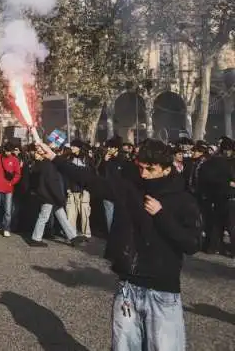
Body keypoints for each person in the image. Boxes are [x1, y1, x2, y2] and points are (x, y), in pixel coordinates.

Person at [37, 139, 200, 350]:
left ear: (167, 169)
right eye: (141, 167)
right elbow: (91, 181)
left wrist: (161, 215)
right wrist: (54, 158)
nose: (144, 174)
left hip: (163, 291)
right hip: (128, 287)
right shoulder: (129, 188)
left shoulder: (183, 200)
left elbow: (192, 244)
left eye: (150, 169)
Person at [0, 143, 21, 237]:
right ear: (4, 150)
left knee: (8, 210)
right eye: (6, 151)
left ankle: (6, 228)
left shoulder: (15, 160)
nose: (8, 153)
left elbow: (18, 174)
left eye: (9, 151)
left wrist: (11, 183)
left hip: (8, 188)